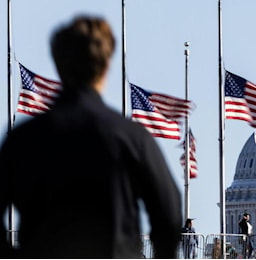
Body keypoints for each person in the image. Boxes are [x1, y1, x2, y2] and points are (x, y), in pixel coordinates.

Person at [0, 15, 182, 258]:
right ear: (106, 65)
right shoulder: (131, 138)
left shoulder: (24, 140)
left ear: (58, 64)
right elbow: (168, 213)